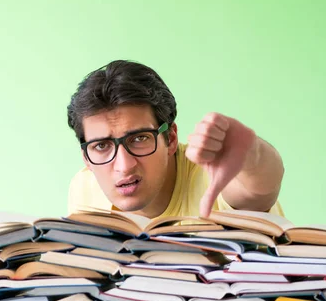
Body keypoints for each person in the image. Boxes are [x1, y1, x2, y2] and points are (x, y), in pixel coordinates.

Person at [66, 60, 284, 218]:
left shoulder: (212, 176)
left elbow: (260, 189)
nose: (124, 166)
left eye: (140, 138)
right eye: (101, 146)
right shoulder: (84, 190)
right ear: (86, 157)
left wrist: (249, 151)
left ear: (170, 139)